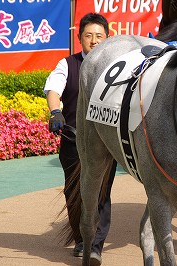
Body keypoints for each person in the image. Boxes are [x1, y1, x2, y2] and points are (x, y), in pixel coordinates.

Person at [44, 13, 116, 265]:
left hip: (107, 143)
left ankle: (95, 245)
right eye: (89, 36)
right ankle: (81, 238)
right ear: (79, 38)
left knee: (101, 192)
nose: (94, 41)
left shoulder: (117, 67)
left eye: (99, 36)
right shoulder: (67, 64)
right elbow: (53, 89)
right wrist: (55, 112)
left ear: (108, 38)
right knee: (74, 191)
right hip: (74, 140)